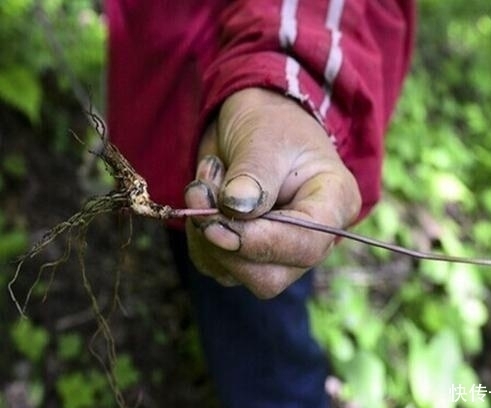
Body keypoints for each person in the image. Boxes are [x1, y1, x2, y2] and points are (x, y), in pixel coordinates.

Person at [106, 1, 415, 406]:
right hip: (166, 115)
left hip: (251, 131)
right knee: (205, 266)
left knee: (267, 349)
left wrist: (282, 85)